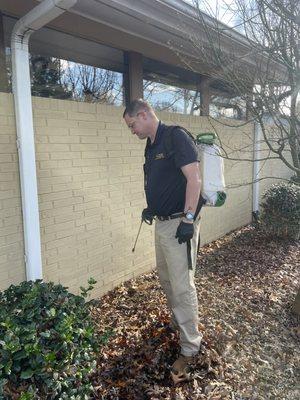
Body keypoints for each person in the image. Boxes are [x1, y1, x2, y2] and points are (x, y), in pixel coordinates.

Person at [123, 99, 202, 383]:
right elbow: (163, 181)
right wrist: (151, 208)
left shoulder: (175, 136)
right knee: (167, 279)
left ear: (143, 114)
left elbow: (194, 180)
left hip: (179, 223)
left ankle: (191, 346)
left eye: (132, 125)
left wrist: (189, 220)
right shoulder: (152, 144)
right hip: (162, 222)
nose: (132, 131)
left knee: (182, 286)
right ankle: (178, 324)